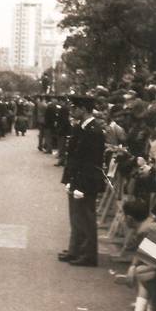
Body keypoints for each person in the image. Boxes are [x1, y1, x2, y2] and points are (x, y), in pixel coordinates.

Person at [57, 94, 105, 267]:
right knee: (76, 216)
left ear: (83, 109)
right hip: (77, 178)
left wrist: (81, 185)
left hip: (86, 180)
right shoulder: (82, 128)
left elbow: (91, 162)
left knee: (86, 218)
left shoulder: (94, 131)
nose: (72, 111)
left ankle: (88, 254)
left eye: (74, 108)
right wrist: (70, 179)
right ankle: (75, 249)